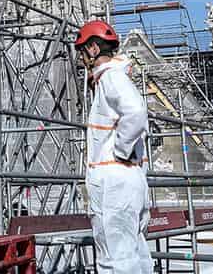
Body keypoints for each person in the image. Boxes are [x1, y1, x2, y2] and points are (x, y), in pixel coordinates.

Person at [75, 19, 150, 274]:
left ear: (94, 49)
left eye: (83, 50)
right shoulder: (112, 78)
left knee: (114, 258)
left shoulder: (110, 78)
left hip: (114, 183)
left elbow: (136, 112)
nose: (81, 58)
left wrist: (120, 149)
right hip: (128, 179)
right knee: (134, 254)